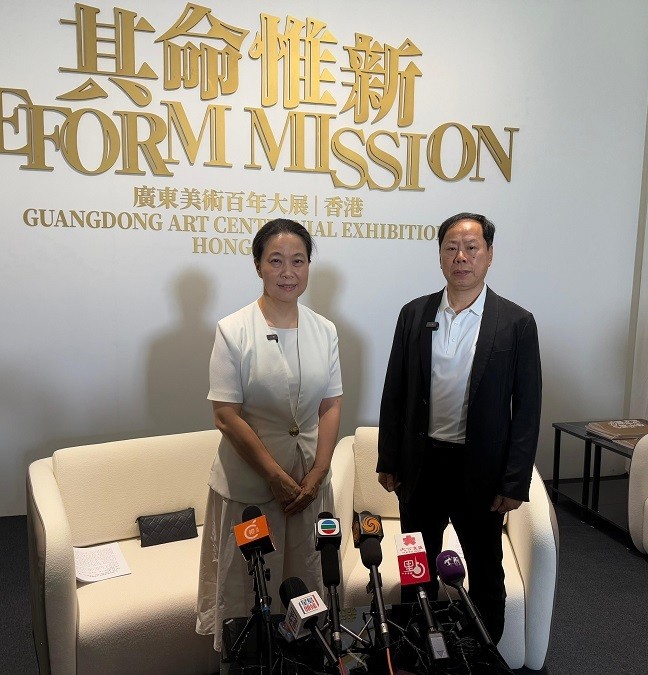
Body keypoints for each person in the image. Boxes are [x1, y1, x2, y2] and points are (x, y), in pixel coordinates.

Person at [376, 212, 542, 644]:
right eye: (451, 248)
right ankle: (416, 646)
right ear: (440, 256)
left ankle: (486, 651)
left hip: (481, 470)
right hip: (422, 465)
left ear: (489, 255)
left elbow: (527, 410)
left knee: (485, 568)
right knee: (416, 566)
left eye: (471, 248)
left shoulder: (516, 322)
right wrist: (388, 459)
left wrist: (515, 481)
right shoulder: (414, 314)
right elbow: (395, 391)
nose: (461, 257)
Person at [196, 218, 343, 651]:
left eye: (298, 261)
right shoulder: (233, 329)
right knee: (249, 586)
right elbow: (226, 416)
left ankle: (307, 656)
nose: (288, 272)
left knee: (307, 577)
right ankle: (251, 660)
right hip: (252, 484)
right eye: (276, 261)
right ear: (258, 265)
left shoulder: (325, 330)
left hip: (309, 485)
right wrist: (275, 477)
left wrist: (318, 472)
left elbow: (331, 405)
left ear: (309, 266)